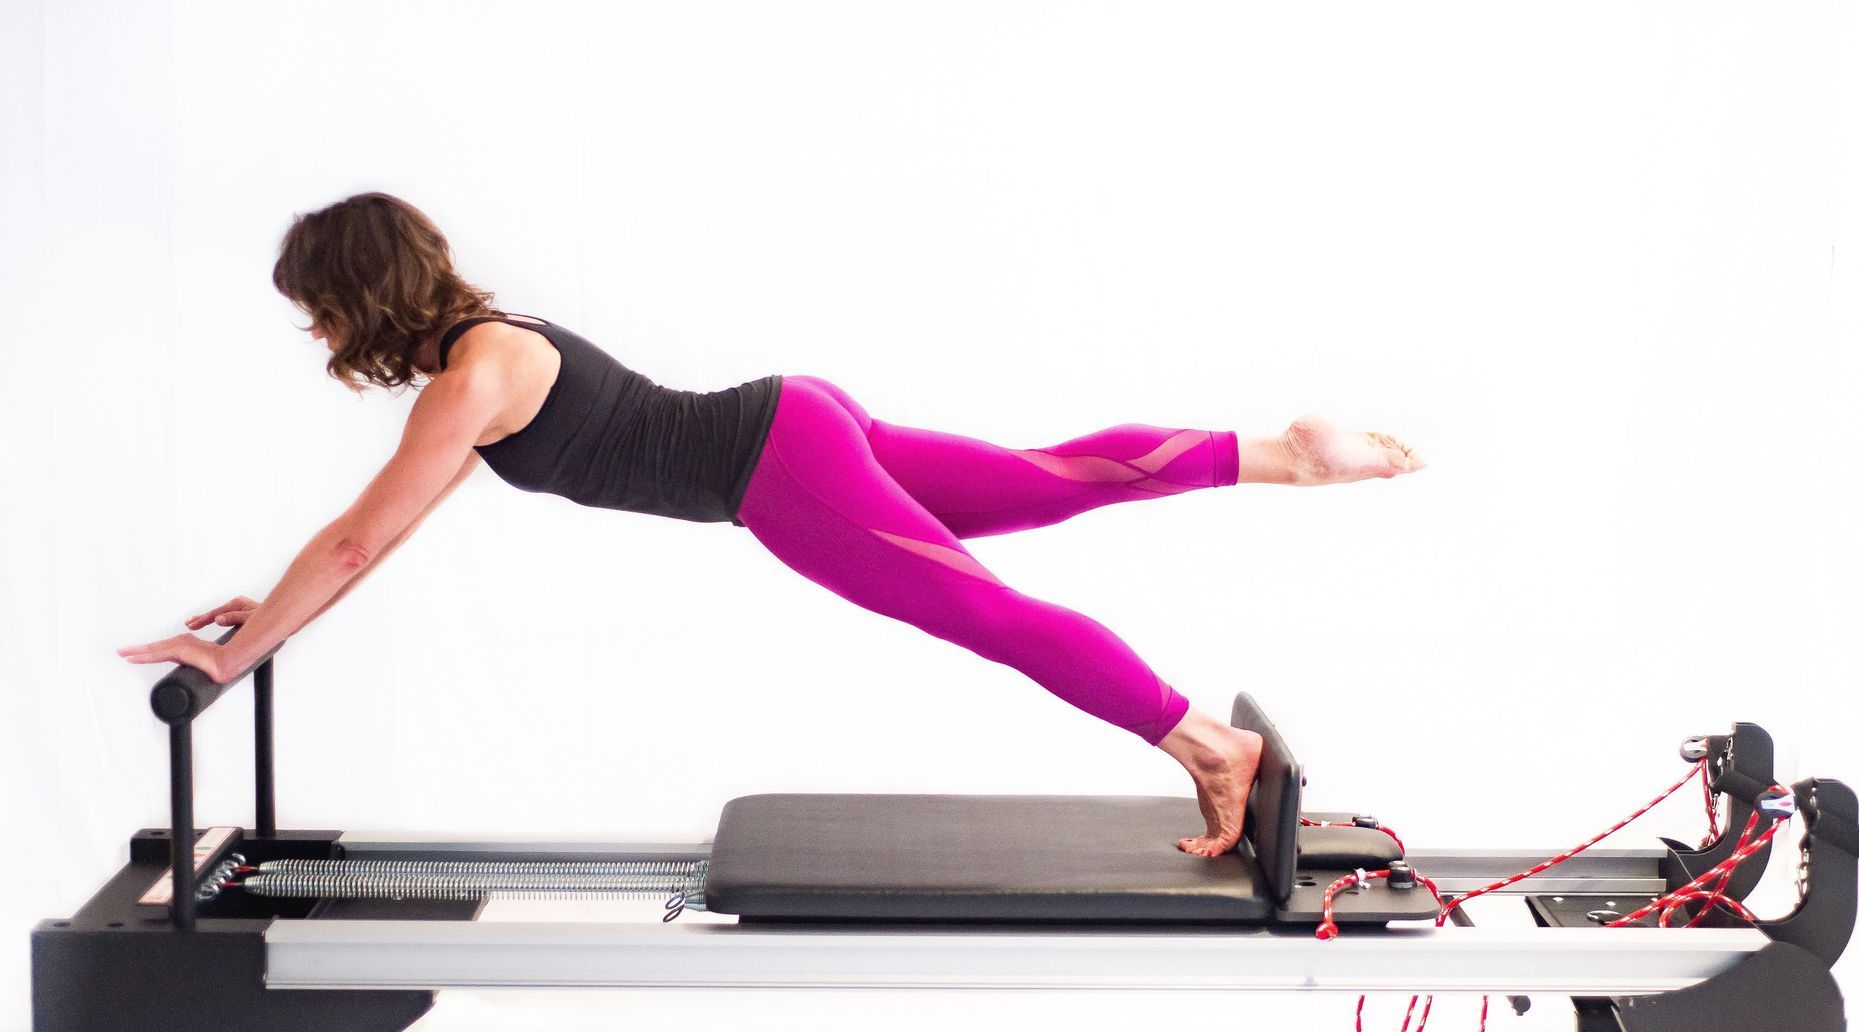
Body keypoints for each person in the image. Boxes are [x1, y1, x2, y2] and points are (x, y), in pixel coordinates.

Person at [118, 192, 1426, 858]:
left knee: (986, 611)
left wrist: (231, 658)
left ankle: (1207, 746)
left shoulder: (470, 380)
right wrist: (266, 613)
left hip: (779, 474)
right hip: (797, 421)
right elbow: (376, 535)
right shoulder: (492, 347)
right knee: (1050, 476)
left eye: (317, 307)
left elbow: (358, 539)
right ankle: (1282, 456)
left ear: (358, 297)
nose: (316, 331)